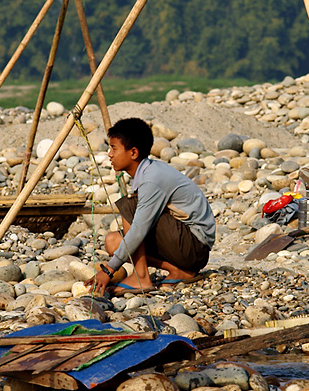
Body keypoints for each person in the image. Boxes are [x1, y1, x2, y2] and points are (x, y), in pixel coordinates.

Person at [86, 117, 216, 297]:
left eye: (114, 148)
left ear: (133, 153)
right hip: (186, 246)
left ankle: (141, 277)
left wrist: (109, 270)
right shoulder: (147, 171)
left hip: (194, 246)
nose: (110, 154)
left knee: (130, 206)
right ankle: (178, 271)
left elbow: (139, 229)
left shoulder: (152, 178)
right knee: (113, 242)